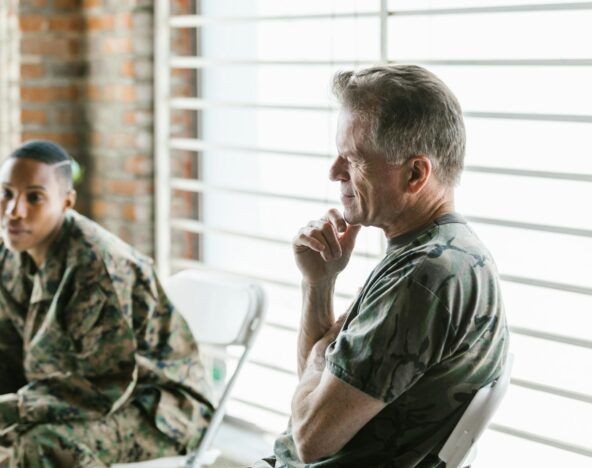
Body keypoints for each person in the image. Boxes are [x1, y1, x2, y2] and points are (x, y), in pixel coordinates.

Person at [255, 65, 509, 467]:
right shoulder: (438, 253)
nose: (334, 172)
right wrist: (319, 284)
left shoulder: (423, 277)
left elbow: (309, 437)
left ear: (415, 173)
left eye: (353, 159)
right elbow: (318, 390)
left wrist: (324, 352)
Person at [0, 140, 213, 467]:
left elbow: (102, 388)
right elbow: (7, 353)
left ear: (66, 202)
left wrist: (11, 410)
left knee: (36, 445)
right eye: (6, 193)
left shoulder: (97, 266)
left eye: (34, 197)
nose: (14, 210)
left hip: (156, 411)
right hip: (68, 397)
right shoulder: (11, 255)